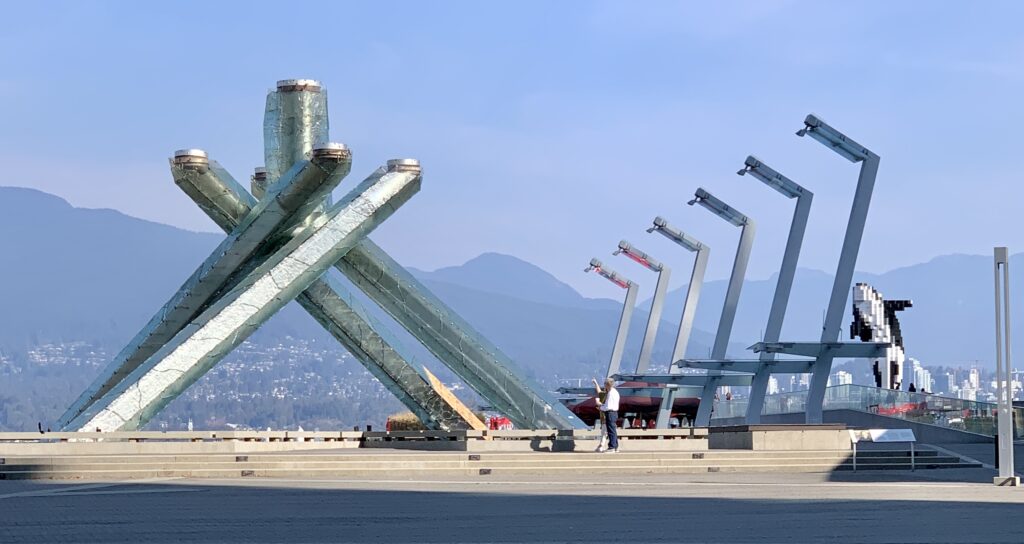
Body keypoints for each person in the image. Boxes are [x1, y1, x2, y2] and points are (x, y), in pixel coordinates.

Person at [598, 377, 620, 453]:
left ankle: (612, 447)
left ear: (608, 384)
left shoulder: (610, 393)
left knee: (611, 430)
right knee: (613, 430)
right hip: (614, 413)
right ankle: (615, 446)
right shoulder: (615, 392)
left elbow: (608, 406)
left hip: (610, 413)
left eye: (605, 384)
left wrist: (600, 406)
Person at [592, 378, 608, 452]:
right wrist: (596, 383)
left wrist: (599, 404)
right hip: (603, 417)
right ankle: (602, 445)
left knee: (604, 432)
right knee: (604, 432)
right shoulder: (604, 395)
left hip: (606, 416)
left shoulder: (608, 396)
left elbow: (607, 406)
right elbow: (599, 391)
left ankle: (602, 445)